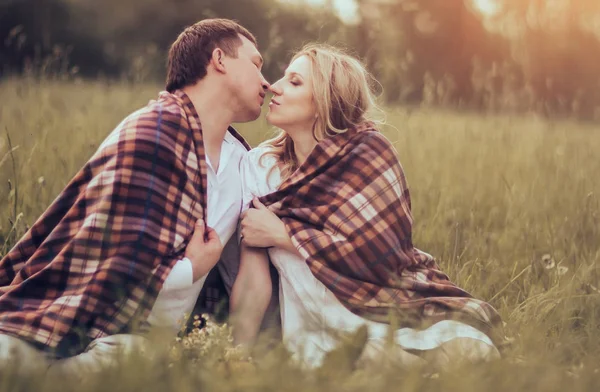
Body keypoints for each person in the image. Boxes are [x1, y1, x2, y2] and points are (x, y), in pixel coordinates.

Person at [0, 18, 269, 375]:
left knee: (136, 364)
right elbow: (106, 269)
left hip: (138, 341)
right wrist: (192, 269)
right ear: (219, 59)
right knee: (10, 361)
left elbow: (242, 276)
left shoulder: (243, 162)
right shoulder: (151, 132)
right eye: (256, 63)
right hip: (71, 315)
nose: (266, 81)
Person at [230, 44, 502, 370]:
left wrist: (285, 235)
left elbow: (381, 256)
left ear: (325, 101)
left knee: (477, 352)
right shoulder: (260, 166)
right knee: (357, 364)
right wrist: (235, 356)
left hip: (385, 307)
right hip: (314, 329)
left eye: (295, 82)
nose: (275, 86)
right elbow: (253, 280)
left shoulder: (369, 153)